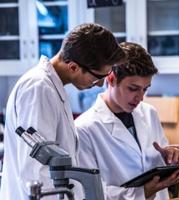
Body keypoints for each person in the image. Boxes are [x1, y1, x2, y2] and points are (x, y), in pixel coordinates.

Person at [0, 23, 126, 200]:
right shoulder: (39, 89)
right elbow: (38, 173)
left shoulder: (52, 87)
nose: (100, 84)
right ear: (73, 67)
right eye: (98, 77)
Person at [75, 42, 179, 200]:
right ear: (111, 79)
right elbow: (88, 192)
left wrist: (171, 157)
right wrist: (141, 193)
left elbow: (155, 162)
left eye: (145, 89)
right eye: (133, 88)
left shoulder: (149, 113)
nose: (140, 98)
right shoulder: (84, 129)